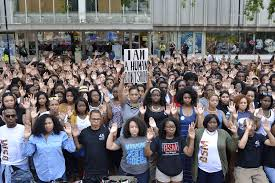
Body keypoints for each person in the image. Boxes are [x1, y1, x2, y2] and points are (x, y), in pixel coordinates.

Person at [22, 114, 76, 183]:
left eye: (50, 123)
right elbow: (28, 153)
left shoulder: (61, 135)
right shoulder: (34, 137)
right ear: (40, 125)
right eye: (45, 123)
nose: (47, 125)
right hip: (42, 174)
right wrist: (26, 138)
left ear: (54, 123)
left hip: (59, 173)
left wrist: (69, 134)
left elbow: (71, 149)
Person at [145, 117, 195, 183]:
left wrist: (192, 138)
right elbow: (148, 154)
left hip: (178, 172)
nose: (172, 129)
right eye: (169, 127)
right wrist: (148, 140)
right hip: (162, 172)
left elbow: (189, 153)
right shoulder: (158, 139)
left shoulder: (180, 139)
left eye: (173, 127)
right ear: (164, 128)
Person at [192, 114, 239, 183]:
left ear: (217, 124)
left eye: (214, 122)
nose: (212, 124)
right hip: (201, 169)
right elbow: (190, 145)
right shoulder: (198, 132)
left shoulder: (223, 133)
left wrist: (235, 134)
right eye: (210, 122)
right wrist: (190, 136)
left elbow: (232, 148)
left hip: (218, 170)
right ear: (206, 123)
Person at [106, 117, 149, 183]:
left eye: (136, 127)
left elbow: (150, 153)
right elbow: (109, 146)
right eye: (132, 127)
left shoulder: (146, 137)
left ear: (140, 127)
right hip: (125, 171)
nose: (134, 129)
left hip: (142, 172)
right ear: (128, 128)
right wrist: (111, 133)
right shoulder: (122, 138)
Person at [72, 110, 110, 182]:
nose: (96, 121)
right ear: (89, 119)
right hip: (88, 169)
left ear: (101, 119)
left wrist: (113, 135)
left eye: (98, 119)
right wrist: (75, 137)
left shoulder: (106, 131)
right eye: (93, 119)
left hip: (103, 169)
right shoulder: (84, 132)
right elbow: (78, 147)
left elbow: (111, 146)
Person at [235, 116, 275, 183]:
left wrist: (268, 131)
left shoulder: (259, 136)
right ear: (244, 127)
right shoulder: (240, 135)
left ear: (255, 127)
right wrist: (247, 130)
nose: (249, 127)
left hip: (257, 169)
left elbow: (273, 143)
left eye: (251, 126)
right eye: (246, 126)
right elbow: (241, 146)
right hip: (242, 169)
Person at [0, 108, 34, 183]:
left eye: (13, 115)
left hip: (22, 166)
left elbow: (30, 150)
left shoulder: (23, 129)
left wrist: (26, 138)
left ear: (16, 116)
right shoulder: (1, 130)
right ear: (3, 117)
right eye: (7, 116)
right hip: (5, 166)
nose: (10, 118)